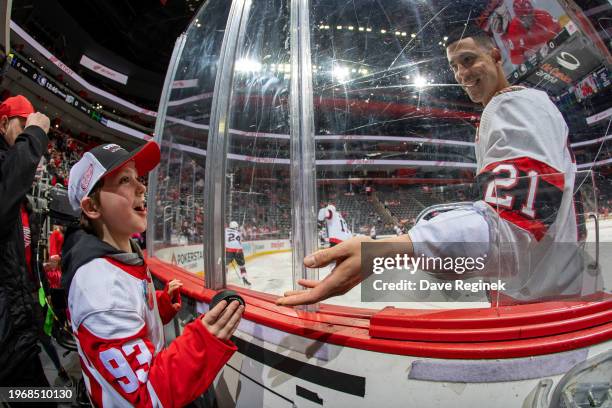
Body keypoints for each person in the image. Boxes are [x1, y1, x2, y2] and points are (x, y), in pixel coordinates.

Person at [277, 24, 579, 307]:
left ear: (496, 56)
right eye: (454, 66)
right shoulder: (528, 105)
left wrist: (387, 251)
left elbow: (514, 228)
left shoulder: (512, 106)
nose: (461, 73)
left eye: (469, 59)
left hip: (539, 305)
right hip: (550, 287)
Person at [62, 141, 244, 407]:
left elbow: (127, 319)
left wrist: (157, 306)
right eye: (125, 179)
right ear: (92, 208)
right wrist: (205, 341)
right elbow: (146, 398)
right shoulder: (100, 292)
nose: (142, 187)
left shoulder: (122, 252)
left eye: (137, 177)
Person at [0, 95, 53, 390]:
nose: (33, 129)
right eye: (25, 123)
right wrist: (34, 135)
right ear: (4, 123)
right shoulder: (11, 169)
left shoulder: (18, 184)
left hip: (19, 326)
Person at [504, 0, 561, 65]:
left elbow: (559, 29)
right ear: (519, 17)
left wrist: (545, 44)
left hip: (555, 51)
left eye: (531, 13)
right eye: (526, 17)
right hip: (538, 63)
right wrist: (529, 53)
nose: (530, 17)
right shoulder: (513, 30)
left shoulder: (541, 14)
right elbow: (515, 59)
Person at [225, 220, 251, 286]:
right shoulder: (239, 232)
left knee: (225, 265)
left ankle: (224, 279)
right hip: (239, 251)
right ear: (236, 227)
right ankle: (245, 278)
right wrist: (242, 231)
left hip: (229, 250)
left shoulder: (225, 230)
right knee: (242, 266)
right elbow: (243, 238)